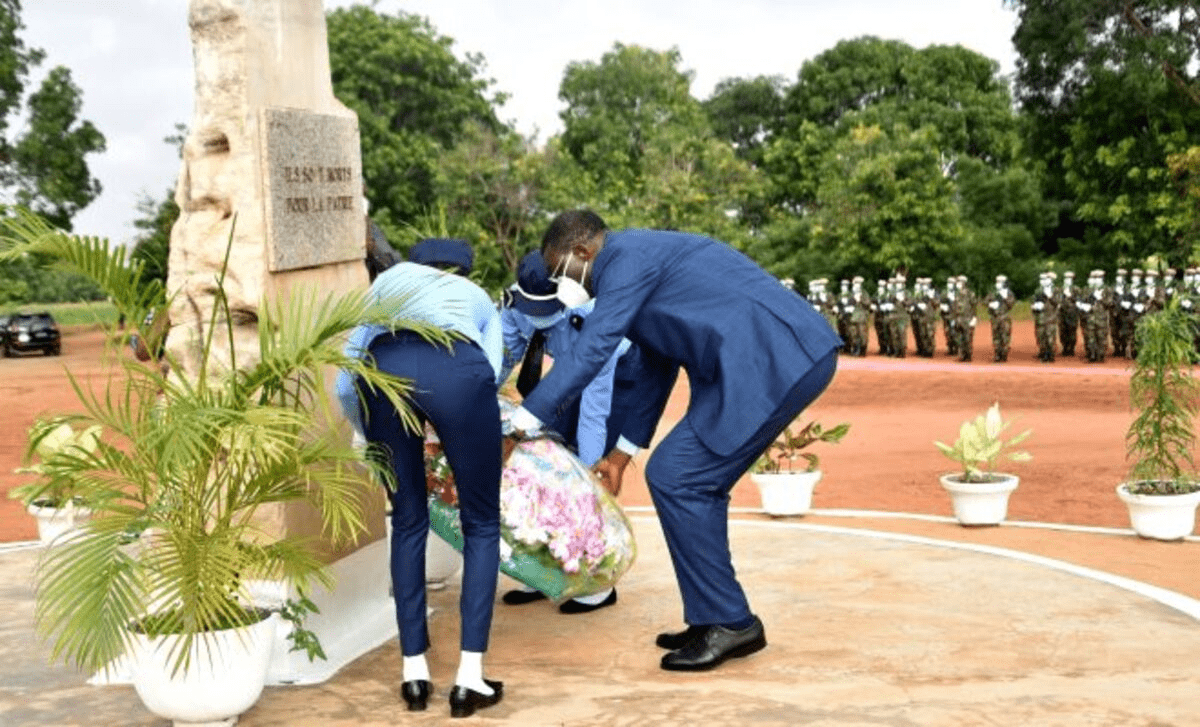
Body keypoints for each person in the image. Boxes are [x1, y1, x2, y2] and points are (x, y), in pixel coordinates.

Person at [509, 210, 842, 672]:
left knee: (680, 477)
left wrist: (519, 424)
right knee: (677, 476)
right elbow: (654, 365)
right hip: (755, 359)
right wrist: (622, 455)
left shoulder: (625, 260)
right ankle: (713, 617)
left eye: (558, 270)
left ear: (582, 252)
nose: (561, 283)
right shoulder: (629, 265)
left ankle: (731, 621)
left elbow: (594, 349)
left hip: (773, 356)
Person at [336, 238, 506, 718]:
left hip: (381, 374)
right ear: (463, 271)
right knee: (481, 526)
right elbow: (488, 374)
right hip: (458, 369)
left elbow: (345, 382)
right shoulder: (476, 300)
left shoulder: (386, 284)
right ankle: (470, 679)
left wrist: (363, 432)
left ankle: (414, 672)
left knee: (408, 521)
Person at [497, 250, 633, 613]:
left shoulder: (589, 318)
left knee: (579, 479)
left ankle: (599, 585)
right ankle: (545, 572)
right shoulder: (514, 306)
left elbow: (593, 410)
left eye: (547, 312)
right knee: (540, 468)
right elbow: (503, 359)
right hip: (562, 381)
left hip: (616, 379)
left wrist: (586, 476)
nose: (538, 320)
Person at [985, 275, 1015, 362]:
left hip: (1004, 318)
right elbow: (985, 301)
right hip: (995, 318)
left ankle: (1004, 355)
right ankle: (997, 355)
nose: (998, 283)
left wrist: (1005, 297)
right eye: (997, 282)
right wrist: (990, 304)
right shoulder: (993, 292)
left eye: (1000, 282)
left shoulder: (1008, 293)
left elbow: (1010, 304)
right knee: (996, 337)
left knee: (1005, 337)